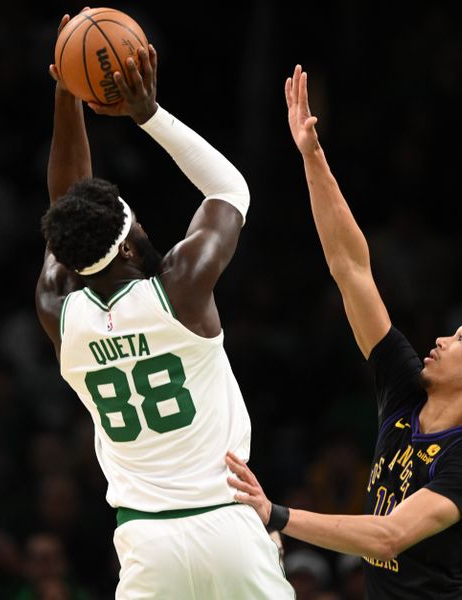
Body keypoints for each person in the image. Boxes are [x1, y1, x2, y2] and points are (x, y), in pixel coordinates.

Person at [226, 64, 462, 598]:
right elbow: (351, 268)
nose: (441, 339)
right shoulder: (406, 387)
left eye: (461, 339)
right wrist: (312, 156)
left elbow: (388, 537)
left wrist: (278, 513)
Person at [34, 12, 294, 599]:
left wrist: (65, 92)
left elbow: (66, 208)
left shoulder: (58, 312)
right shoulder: (179, 292)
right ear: (129, 241)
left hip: (147, 542)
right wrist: (146, 113)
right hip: (226, 523)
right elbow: (229, 191)